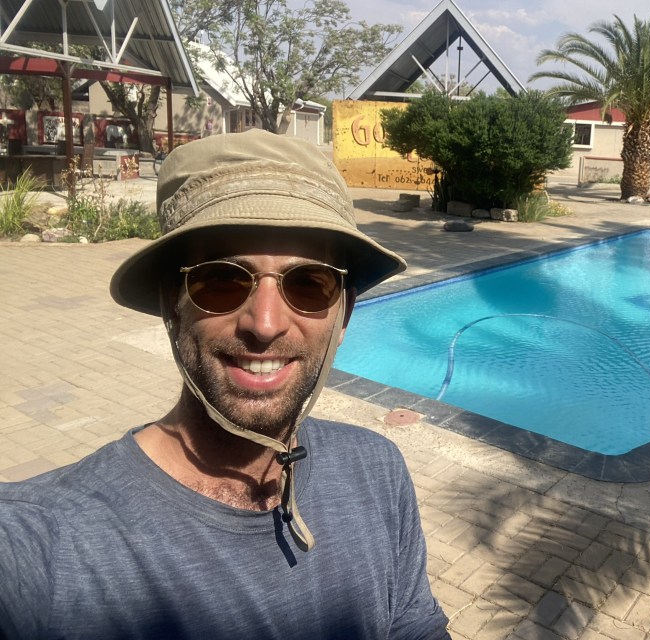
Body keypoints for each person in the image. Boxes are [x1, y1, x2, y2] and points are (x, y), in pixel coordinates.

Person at [0, 131, 451, 639]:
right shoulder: (49, 541)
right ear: (172, 302)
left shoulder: (377, 471)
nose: (264, 323)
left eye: (309, 283)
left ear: (342, 314)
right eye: (220, 279)